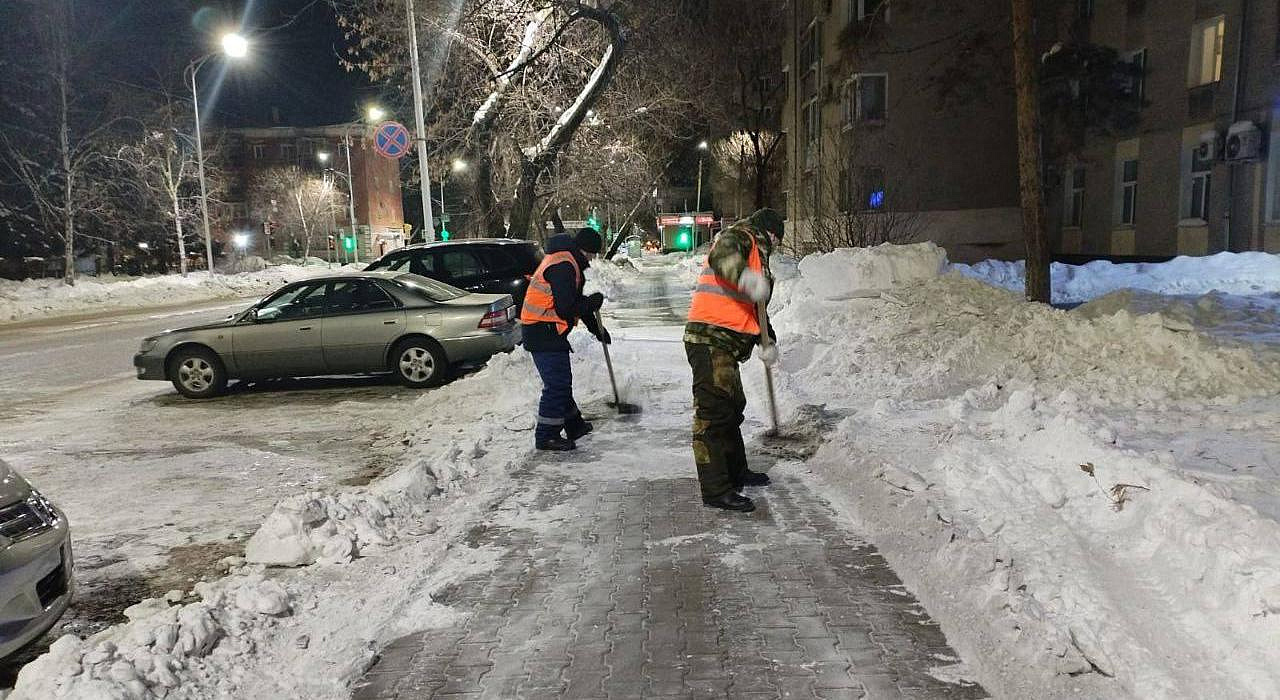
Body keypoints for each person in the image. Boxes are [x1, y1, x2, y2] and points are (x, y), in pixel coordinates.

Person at [683, 208, 784, 512]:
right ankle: (716, 489)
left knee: (730, 408)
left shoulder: (755, 252)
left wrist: (767, 339)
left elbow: (755, 309)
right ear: (770, 234)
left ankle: (736, 472)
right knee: (713, 414)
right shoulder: (740, 237)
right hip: (709, 338)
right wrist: (748, 279)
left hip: (723, 342)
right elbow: (724, 258)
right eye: (777, 240)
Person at [521, 227, 611, 451]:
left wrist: (596, 328)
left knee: (561, 382)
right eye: (592, 254)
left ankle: (574, 425)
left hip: (547, 329)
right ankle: (546, 436)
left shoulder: (566, 260)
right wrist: (591, 303)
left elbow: (574, 300)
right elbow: (566, 307)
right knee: (557, 386)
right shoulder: (564, 265)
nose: (592, 259)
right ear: (584, 250)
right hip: (542, 330)